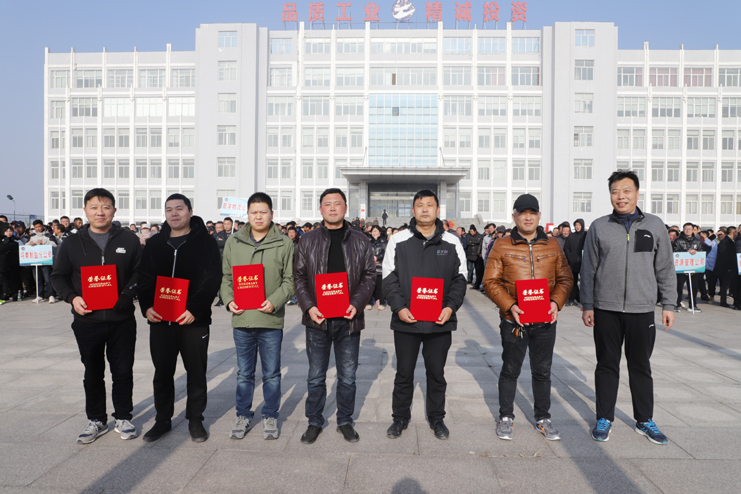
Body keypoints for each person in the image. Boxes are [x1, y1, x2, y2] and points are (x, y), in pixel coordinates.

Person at [581, 170, 676, 445]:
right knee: (606, 364)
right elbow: (588, 269)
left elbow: (665, 267)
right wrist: (587, 304)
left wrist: (668, 304)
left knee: (640, 365)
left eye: (626, 191)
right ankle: (604, 418)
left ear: (636, 193)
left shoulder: (655, 225)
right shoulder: (599, 226)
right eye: (615, 191)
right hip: (606, 309)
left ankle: (644, 420)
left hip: (642, 309)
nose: (620, 196)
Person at [50, 188, 142, 444]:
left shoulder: (129, 240)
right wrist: (72, 298)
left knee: (122, 371)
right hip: (87, 320)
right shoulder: (72, 242)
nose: (100, 212)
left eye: (105, 207)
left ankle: (123, 417)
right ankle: (97, 420)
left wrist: (127, 294)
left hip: (122, 320)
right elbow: (58, 276)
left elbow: (141, 272)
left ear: (114, 210)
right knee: (93, 372)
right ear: (85, 211)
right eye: (94, 207)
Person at [483, 194, 573, 442]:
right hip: (514, 320)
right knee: (510, 369)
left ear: (539, 216)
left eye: (532, 213)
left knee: (542, 371)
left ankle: (543, 417)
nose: (528, 217)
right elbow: (490, 282)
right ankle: (505, 416)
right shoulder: (502, 245)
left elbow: (565, 278)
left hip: (545, 320)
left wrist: (556, 302)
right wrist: (510, 305)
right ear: (514, 217)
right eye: (523, 213)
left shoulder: (553, 245)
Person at [293, 188, 376, 444]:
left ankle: (345, 421)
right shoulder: (307, 240)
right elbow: (299, 277)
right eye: (327, 204)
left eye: (337, 203)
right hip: (317, 319)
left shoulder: (360, 240)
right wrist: (309, 306)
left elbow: (369, 276)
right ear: (320, 209)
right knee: (316, 375)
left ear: (345, 208)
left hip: (348, 319)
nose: (332, 208)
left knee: (348, 376)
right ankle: (314, 421)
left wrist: (356, 304)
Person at [383, 190, 467, 440]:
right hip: (406, 321)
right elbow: (388, 278)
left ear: (438, 210)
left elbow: (460, 279)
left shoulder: (451, 242)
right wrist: (400, 308)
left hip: (439, 321)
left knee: (436, 373)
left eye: (430, 205)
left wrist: (450, 307)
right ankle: (400, 418)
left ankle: (437, 418)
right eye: (420, 205)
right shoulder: (398, 240)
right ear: (413, 210)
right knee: (404, 373)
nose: (425, 209)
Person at [137, 194, 222, 443]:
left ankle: (195, 419)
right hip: (161, 320)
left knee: (196, 371)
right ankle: (162, 420)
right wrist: (147, 306)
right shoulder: (155, 244)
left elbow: (212, 278)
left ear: (190, 211)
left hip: (193, 320)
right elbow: (144, 277)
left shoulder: (205, 242)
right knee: (162, 372)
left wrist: (195, 308)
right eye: (169, 210)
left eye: (179, 208)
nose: (174, 213)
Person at [220, 192, 295, 440]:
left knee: (271, 373)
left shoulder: (283, 243)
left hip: (270, 319)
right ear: (247, 214)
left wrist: (274, 302)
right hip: (242, 318)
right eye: (254, 212)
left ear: (271, 214)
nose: (259, 216)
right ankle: (243, 414)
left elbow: (290, 280)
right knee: (244, 373)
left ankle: (270, 414)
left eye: (263, 212)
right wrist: (229, 300)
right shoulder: (234, 242)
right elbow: (226, 277)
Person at [673, 223, 703, 313]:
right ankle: (677, 304)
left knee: (693, 288)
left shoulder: (697, 241)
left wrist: (696, 252)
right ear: (683, 229)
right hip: (681, 268)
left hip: (693, 268)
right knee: (678, 288)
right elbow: (674, 252)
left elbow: (701, 252)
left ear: (693, 230)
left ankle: (693, 305)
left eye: (690, 229)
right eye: (686, 228)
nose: (688, 230)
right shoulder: (678, 241)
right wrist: (686, 251)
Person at [27, 220, 56, 303]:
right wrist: (29, 244)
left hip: (46, 261)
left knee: (48, 279)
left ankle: (51, 295)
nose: (38, 229)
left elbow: (54, 244)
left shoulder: (48, 235)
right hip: (35, 261)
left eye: (39, 226)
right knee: (38, 279)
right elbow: (25, 246)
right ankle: (39, 295)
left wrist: (43, 242)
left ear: (42, 226)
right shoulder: (32, 236)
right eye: (36, 227)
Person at [563, 219, 586, 306]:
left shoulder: (586, 235)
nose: (577, 227)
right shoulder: (571, 236)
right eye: (576, 225)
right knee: (573, 282)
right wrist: (570, 258)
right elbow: (566, 248)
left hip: (584, 263)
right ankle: (572, 299)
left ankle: (584, 300)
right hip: (573, 263)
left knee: (585, 283)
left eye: (579, 225)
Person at [714, 226, 738, 308]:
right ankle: (723, 301)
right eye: (736, 232)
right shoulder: (725, 242)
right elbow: (723, 256)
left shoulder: (731, 241)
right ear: (734, 232)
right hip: (727, 268)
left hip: (731, 267)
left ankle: (735, 301)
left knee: (733, 285)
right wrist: (728, 267)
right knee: (725, 285)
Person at [367, 225, 388, 311]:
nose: (374, 233)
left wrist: (377, 257)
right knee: (369, 285)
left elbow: (386, 252)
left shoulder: (384, 241)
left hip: (380, 266)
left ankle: (382, 302)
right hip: (370, 266)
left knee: (380, 286)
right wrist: (371, 258)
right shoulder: (367, 241)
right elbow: (365, 252)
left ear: (379, 232)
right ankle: (369, 302)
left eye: (376, 231)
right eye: (373, 231)